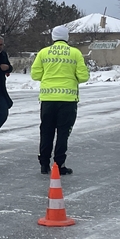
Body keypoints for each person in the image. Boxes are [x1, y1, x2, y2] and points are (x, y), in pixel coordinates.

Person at [30, 24, 89, 174]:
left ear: (53, 37)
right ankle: (59, 165)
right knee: (63, 133)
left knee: (46, 132)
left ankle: (44, 164)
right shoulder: (75, 53)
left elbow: (35, 75)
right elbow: (83, 77)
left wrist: (49, 77)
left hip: (48, 99)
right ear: (67, 37)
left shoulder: (43, 53)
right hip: (68, 100)